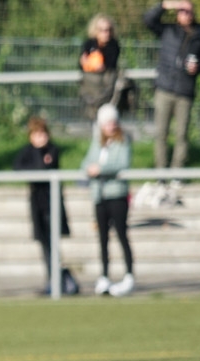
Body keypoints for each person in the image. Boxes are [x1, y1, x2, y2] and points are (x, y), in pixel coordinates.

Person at [143, 1, 200, 204]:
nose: (185, 14)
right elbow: (148, 20)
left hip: (185, 91)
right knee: (161, 134)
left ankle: (177, 173)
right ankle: (161, 174)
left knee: (181, 134)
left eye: (188, 11)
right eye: (182, 11)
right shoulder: (168, 30)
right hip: (164, 88)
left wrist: (197, 68)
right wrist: (165, 5)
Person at [12, 116, 78, 296]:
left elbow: (43, 168)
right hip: (37, 205)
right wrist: (37, 159)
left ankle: (58, 281)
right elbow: (18, 167)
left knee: (53, 245)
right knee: (44, 245)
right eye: (36, 134)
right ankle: (53, 280)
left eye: (42, 134)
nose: (40, 138)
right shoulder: (28, 151)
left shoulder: (53, 150)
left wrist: (38, 161)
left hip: (52, 204)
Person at [82, 104, 135, 297]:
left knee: (122, 234)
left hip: (117, 195)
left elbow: (121, 163)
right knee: (102, 238)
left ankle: (129, 275)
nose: (110, 126)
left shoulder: (123, 140)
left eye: (113, 122)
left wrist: (100, 169)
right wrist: (89, 169)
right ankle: (104, 276)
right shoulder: (97, 142)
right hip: (100, 196)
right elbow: (86, 162)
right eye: (107, 123)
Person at [79, 14, 122, 122]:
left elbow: (108, 65)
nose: (106, 33)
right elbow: (82, 63)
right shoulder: (89, 44)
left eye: (108, 30)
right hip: (91, 87)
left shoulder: (114, 45)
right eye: (102, 30)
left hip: (106, 88)